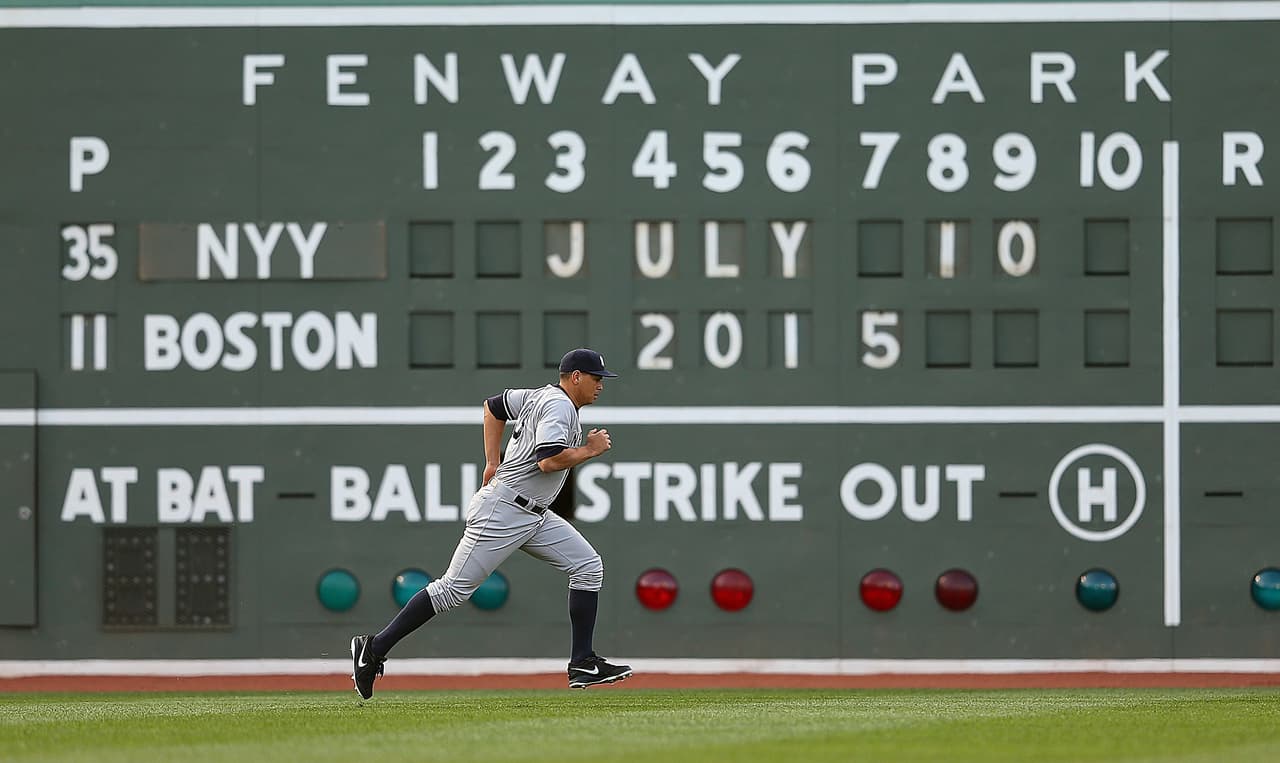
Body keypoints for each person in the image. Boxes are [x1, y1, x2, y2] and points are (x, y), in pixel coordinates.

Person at [350, 348, 632, 697]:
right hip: (503, 510)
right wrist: (590, 450)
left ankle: (582, 663)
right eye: (595, 378)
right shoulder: (559, 406)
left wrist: (491, 461)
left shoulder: (537, 396)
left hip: (533, 513)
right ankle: (373, 649)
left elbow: (493, 407)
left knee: (588, 566)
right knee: (451, 590)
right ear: (575, 376)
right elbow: (547, 460)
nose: (600, 385)